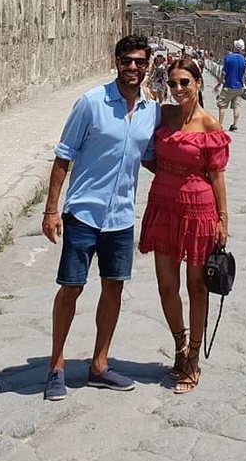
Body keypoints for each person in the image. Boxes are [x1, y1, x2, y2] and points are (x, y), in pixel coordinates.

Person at [41, 35, 161, 402]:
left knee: (114, 290)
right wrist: (50, 210)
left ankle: (99, 364)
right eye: (127, 61)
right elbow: (64, 157)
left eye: (140, 62)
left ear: (148, 66)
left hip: (121, 217)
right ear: (116, 62)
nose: (133, 69)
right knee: (71, 288)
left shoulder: (150, 112)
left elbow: (151, 158)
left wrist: (193, 178)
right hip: (84, 213)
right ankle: (57, 367)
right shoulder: (91, 104)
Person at [139, 57, 229, 394]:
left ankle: (193, 358)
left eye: (185, 83)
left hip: (199, 212)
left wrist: (223, 220)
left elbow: (217, 176)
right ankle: (179, 344)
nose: (178, 90)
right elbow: (146, 147)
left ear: (199, 83)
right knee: (166, 286)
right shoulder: (164, 114)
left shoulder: (209, 127)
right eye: (173, 83)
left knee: (196, 287)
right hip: (163, 206)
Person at [215, 39, 246, 131]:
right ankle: (235, 124)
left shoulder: (228, 58)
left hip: (229, 85)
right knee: (236, 106)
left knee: (222, 106)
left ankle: (220, 124)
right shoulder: (243, 59)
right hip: (239, 86)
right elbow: (243, 74)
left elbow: (224, 72)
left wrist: (219, 83)